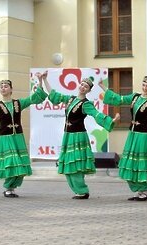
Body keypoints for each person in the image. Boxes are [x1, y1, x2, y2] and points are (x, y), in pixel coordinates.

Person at [42, 71, 120, 199]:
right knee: (69, 164)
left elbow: (97, 115)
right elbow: (54, 96)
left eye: (86, 86)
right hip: (68, 136)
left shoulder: (86, 104)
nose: (83, 87)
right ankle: (79, 190)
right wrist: (45, 80)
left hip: (78, 136)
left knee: (75, 164)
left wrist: (111, 121)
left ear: (88, 91)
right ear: (79, 85)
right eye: (82, 84)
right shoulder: (71, 99)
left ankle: (82, 191)